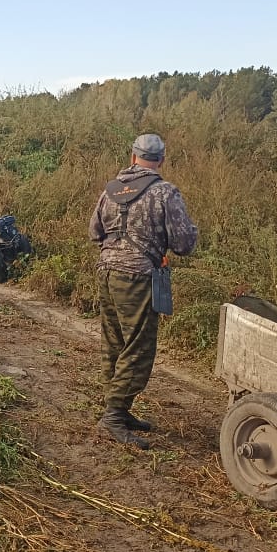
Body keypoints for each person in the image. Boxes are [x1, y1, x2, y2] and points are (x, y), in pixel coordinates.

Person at [88, 133, 198, 449]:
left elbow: (94, 232)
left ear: (133, 157)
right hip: (137, 278)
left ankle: (119, 411)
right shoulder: (165, 193)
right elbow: (183, 244)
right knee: (138, 347)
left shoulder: (110, 190)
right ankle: (113, 415)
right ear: (161, 160)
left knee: (114, 342)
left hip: (106, 272)